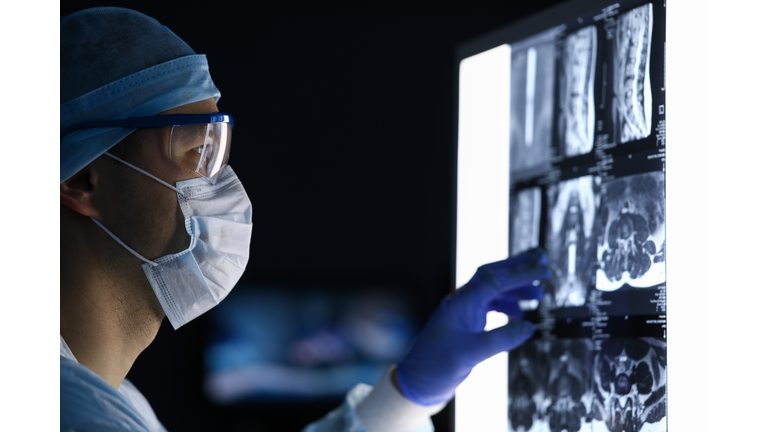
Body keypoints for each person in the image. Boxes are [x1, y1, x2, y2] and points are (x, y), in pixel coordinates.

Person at [60, 8, 550, 432]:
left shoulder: (114, 398)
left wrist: (405, 394)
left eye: (221, 151)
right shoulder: (75, 415)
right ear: (83, 180)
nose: (223, 186)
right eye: (197, 152)